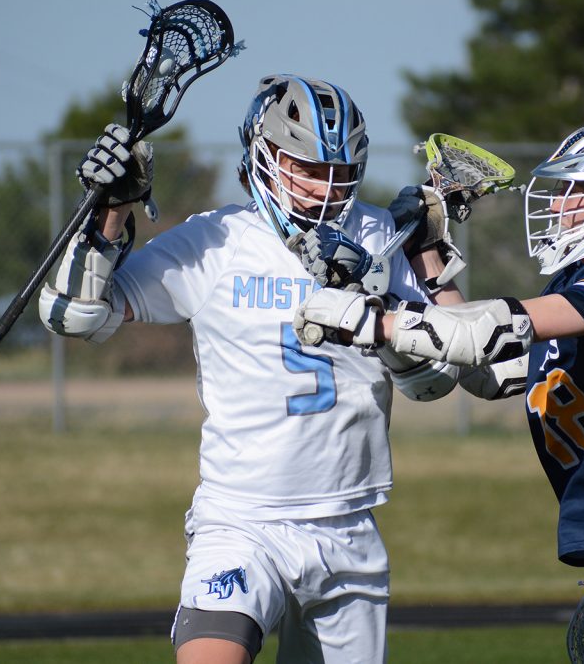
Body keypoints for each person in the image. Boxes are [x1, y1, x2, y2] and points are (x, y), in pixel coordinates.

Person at [295, 121, 584, 662]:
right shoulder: (577, 287)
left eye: (578, 191)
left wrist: (373, 322)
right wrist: (427, 252)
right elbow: (483, 369)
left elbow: (478, 335)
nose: (561, 205)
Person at [38, 74, 464, 664]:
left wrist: (381, 304)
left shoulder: (378, 235)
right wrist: (110, 212)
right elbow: (74, 317)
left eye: (341, 173)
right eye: (308, 169)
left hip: (348, 524)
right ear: (263, 157)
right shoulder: (216, 241)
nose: (326, 188)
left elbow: (432, 382)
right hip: (244, 520)